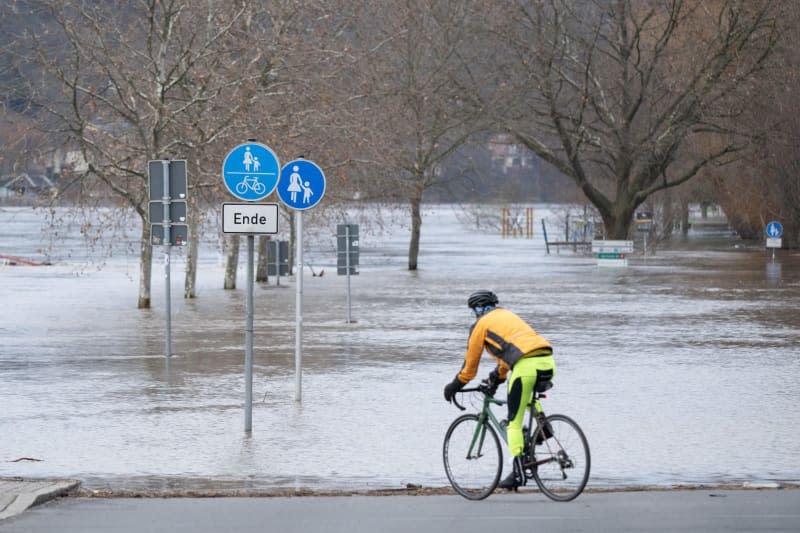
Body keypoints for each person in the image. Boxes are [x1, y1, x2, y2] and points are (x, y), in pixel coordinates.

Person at [443, 290, 556, 490]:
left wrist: (454, 386)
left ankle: (519, 473)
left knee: (513, 423)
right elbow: (510, 355)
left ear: (478, 309)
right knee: (526, 399)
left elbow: (469, 368)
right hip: (547, 361)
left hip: (525, 367)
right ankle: (542, 427)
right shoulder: (507, 315)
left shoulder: (480, 325)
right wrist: (496, 379)